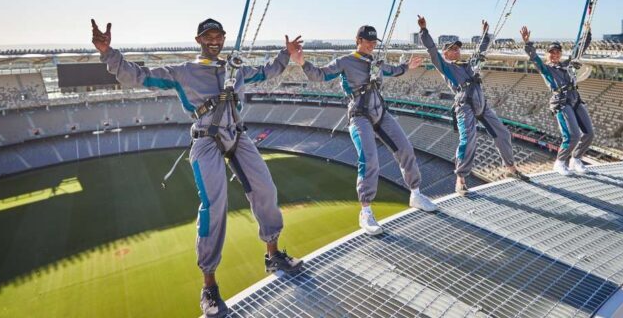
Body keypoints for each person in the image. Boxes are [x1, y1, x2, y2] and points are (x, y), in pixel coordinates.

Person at [91, 18, 304, 318]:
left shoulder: (235, 68)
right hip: (206, 140)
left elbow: (267, 71)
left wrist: (286, 54)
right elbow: (138, 76)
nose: (214, 40)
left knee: (265, 188)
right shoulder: (184, 72)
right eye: (208, 36)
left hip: (237, 135)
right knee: (214, 206)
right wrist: (108, 52)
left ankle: (273, 255)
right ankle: (209, 285)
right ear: (198, 40)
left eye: (218, 35)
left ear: (224, 38)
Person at [292, 25, 437, 235]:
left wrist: (407, 66)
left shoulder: (375, 62)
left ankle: (415, 194)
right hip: (360, 116)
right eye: (367, 41)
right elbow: (320, 75)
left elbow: (392, 70)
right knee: (369, 159)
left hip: (380, 113)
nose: (371, 45)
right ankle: (366, 212)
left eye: (373, 42)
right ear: (358, 40)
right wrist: (303, 63)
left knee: (405, 149)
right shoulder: (345, 61)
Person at [418, 16, 523, 196]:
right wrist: (424, 31)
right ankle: (461, 179)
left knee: (503, 134)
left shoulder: (469, 64)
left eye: (458, 48)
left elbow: (480, 50)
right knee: (468, 140)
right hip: (465, 105)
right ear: (446, 54)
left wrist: (484, 35)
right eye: (452, 49)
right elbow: (432, 50)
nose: (457, 51)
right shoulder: (446, 66)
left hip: (481, 103)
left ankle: (511, 168)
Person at [521, 26, 594, 176]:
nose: (554, 54)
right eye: (551, 52)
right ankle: (560, 162)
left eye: (557, 52)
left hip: (575, 98)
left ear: (560, 53)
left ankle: (576, 159)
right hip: (561, 101)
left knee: (589, 133)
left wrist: (587, 34)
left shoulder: (567, 65)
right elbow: (534, 58)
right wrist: (528, 43)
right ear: (548, 55)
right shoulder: (546, 69)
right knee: (573, 135)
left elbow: (579, 49)